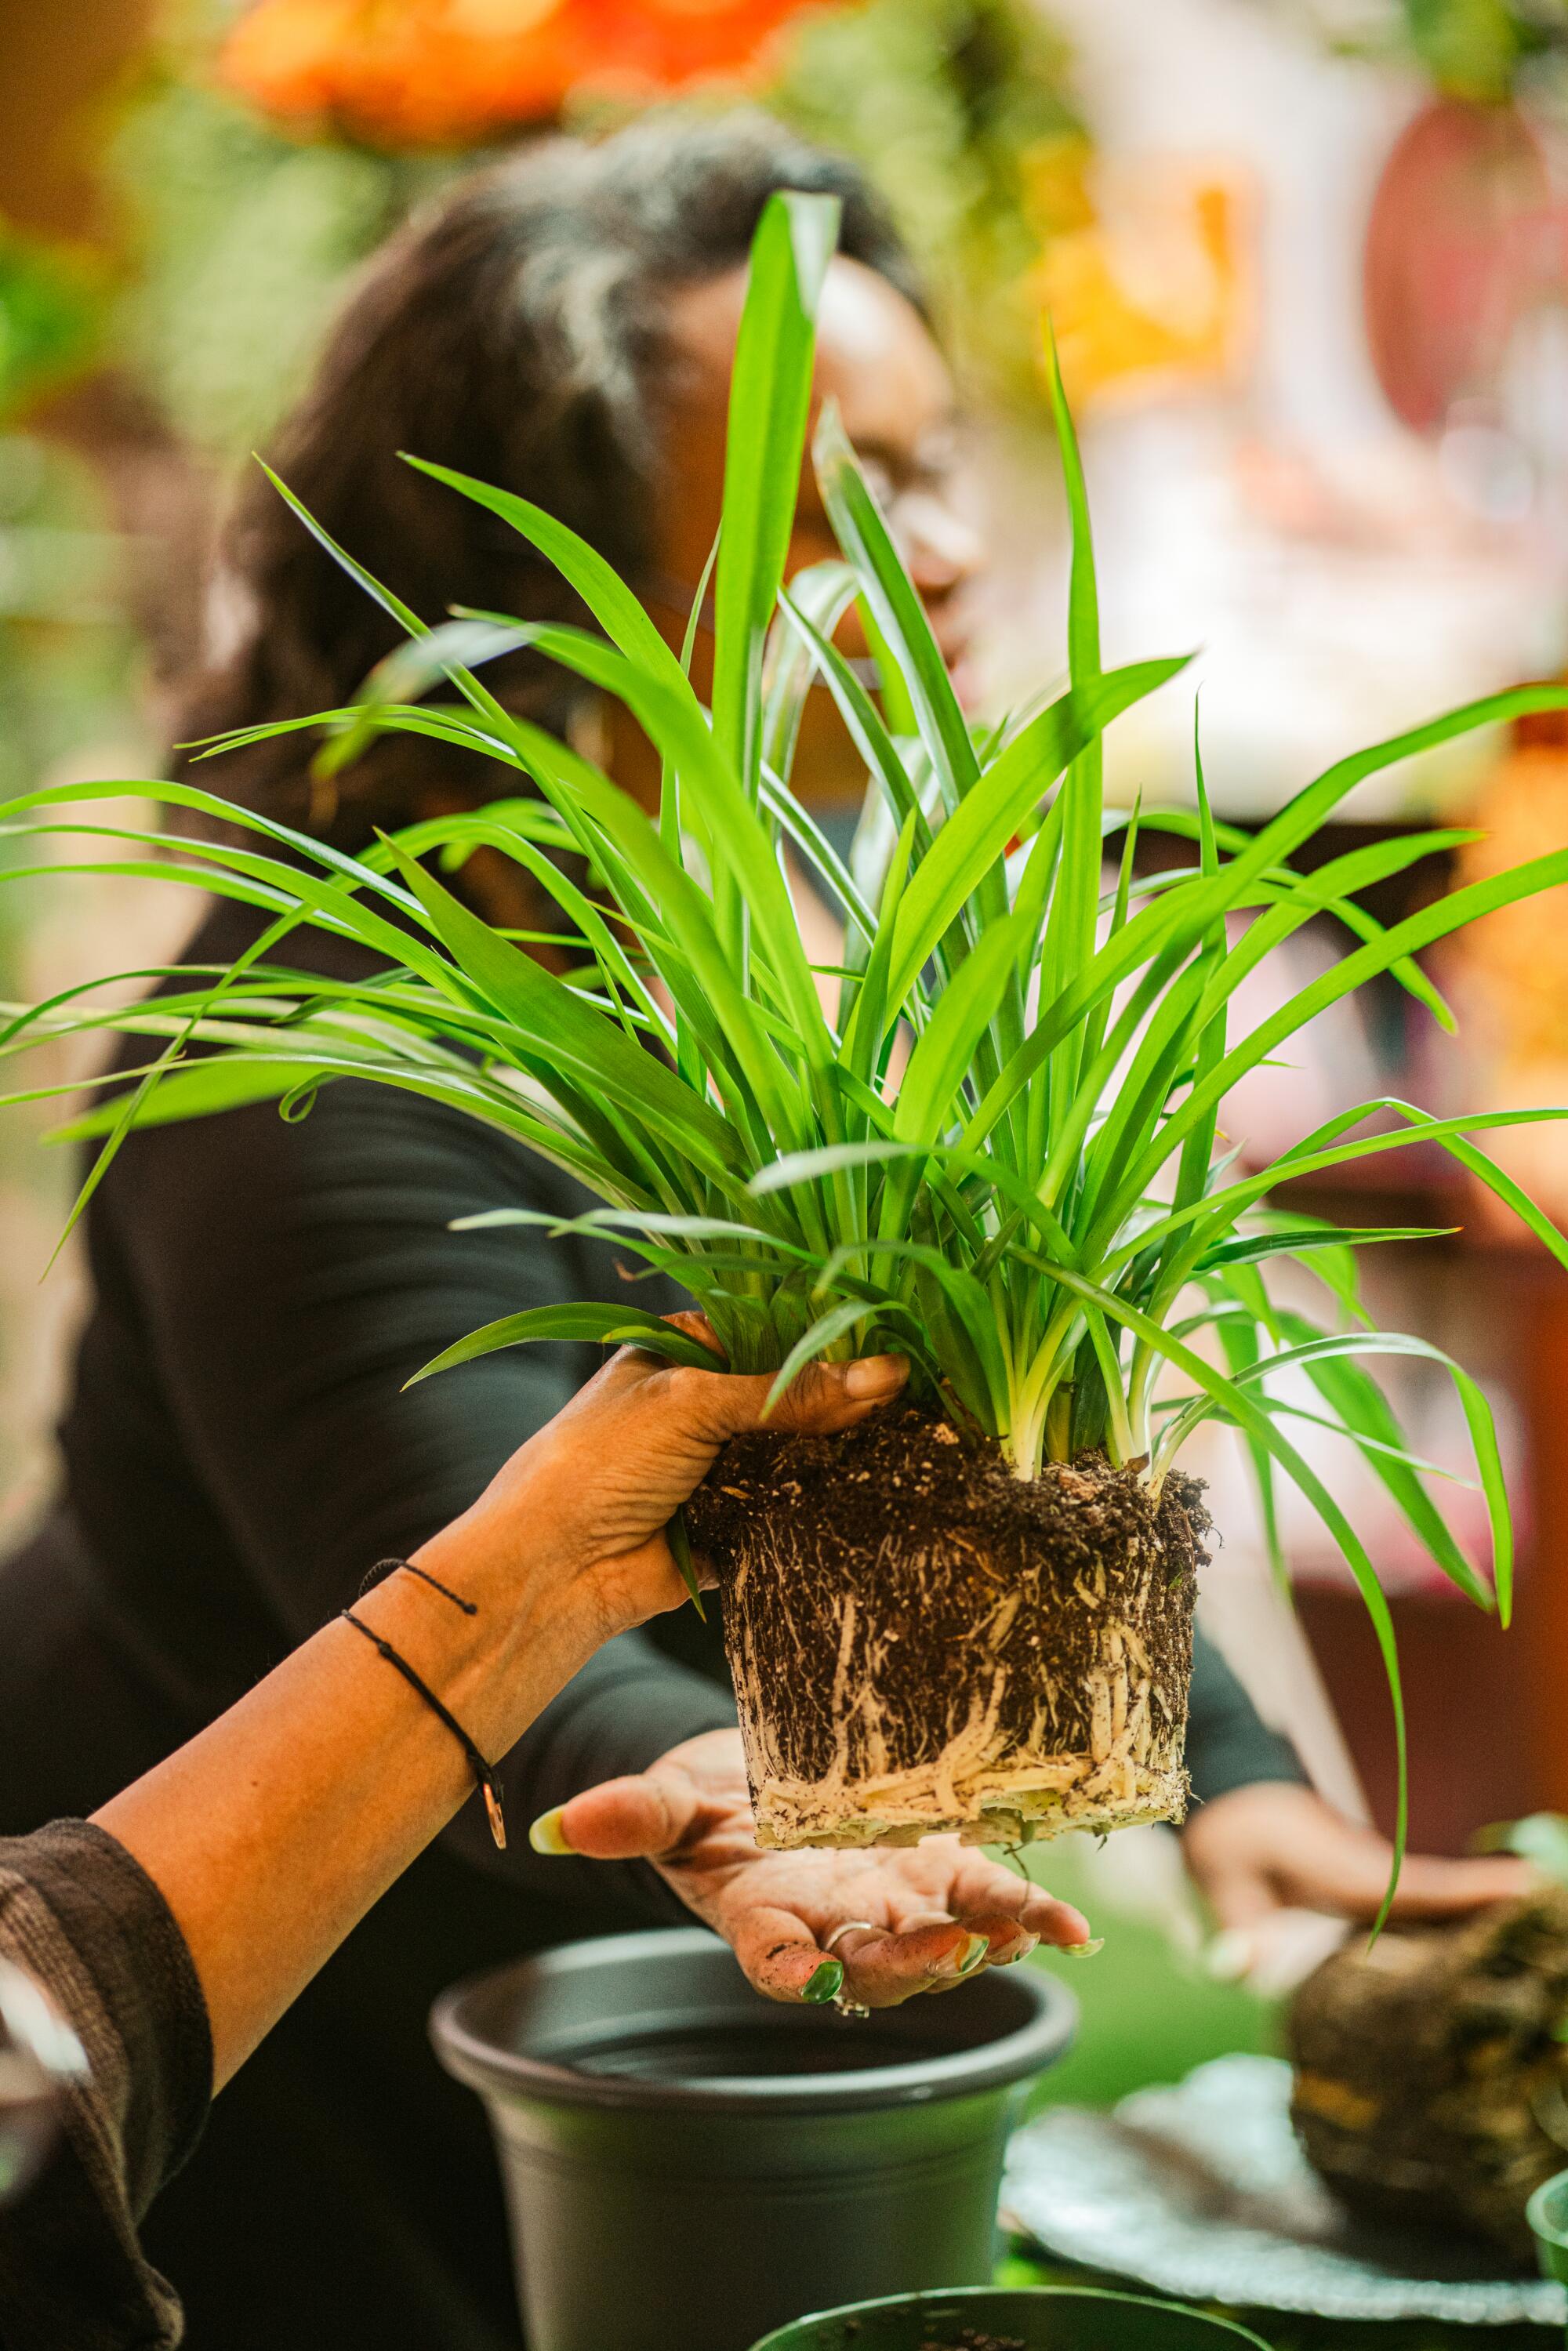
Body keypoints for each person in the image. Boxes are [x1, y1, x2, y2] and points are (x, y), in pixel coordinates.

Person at [0, 111, 1524, 2350]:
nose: (950, 555)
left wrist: (1233, 1777)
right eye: (844, 501)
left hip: (617, 1988)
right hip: (243, 2049)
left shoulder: (768, 960)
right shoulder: (315, 1062)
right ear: (550, 588)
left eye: (936, 468)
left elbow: (958, 1402)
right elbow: (481, 1571)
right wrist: (700, 1778)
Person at [1, 1334, 964, 2349]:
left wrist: (566, 1565)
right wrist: (572, 1592)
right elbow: (378, 1424)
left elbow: (54, 2001)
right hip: (197, 1838)